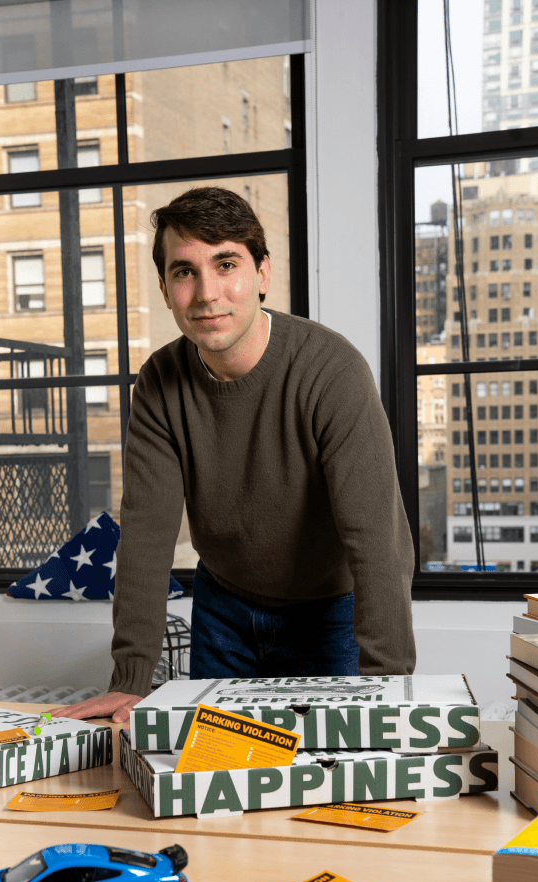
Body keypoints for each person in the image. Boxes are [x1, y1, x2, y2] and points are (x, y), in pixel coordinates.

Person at [55, 186, 415, 725]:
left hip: (330, 616)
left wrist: (389, 688)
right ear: (165, 287)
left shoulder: (332, 371)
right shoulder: (158, 383)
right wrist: (130, 680)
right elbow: (147, 534)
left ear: (263, 273)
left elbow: (377, 540)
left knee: (325, 785)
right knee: (217, 788)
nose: (206, 293)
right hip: (222, 613)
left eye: (226, 263)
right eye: (184, 272)